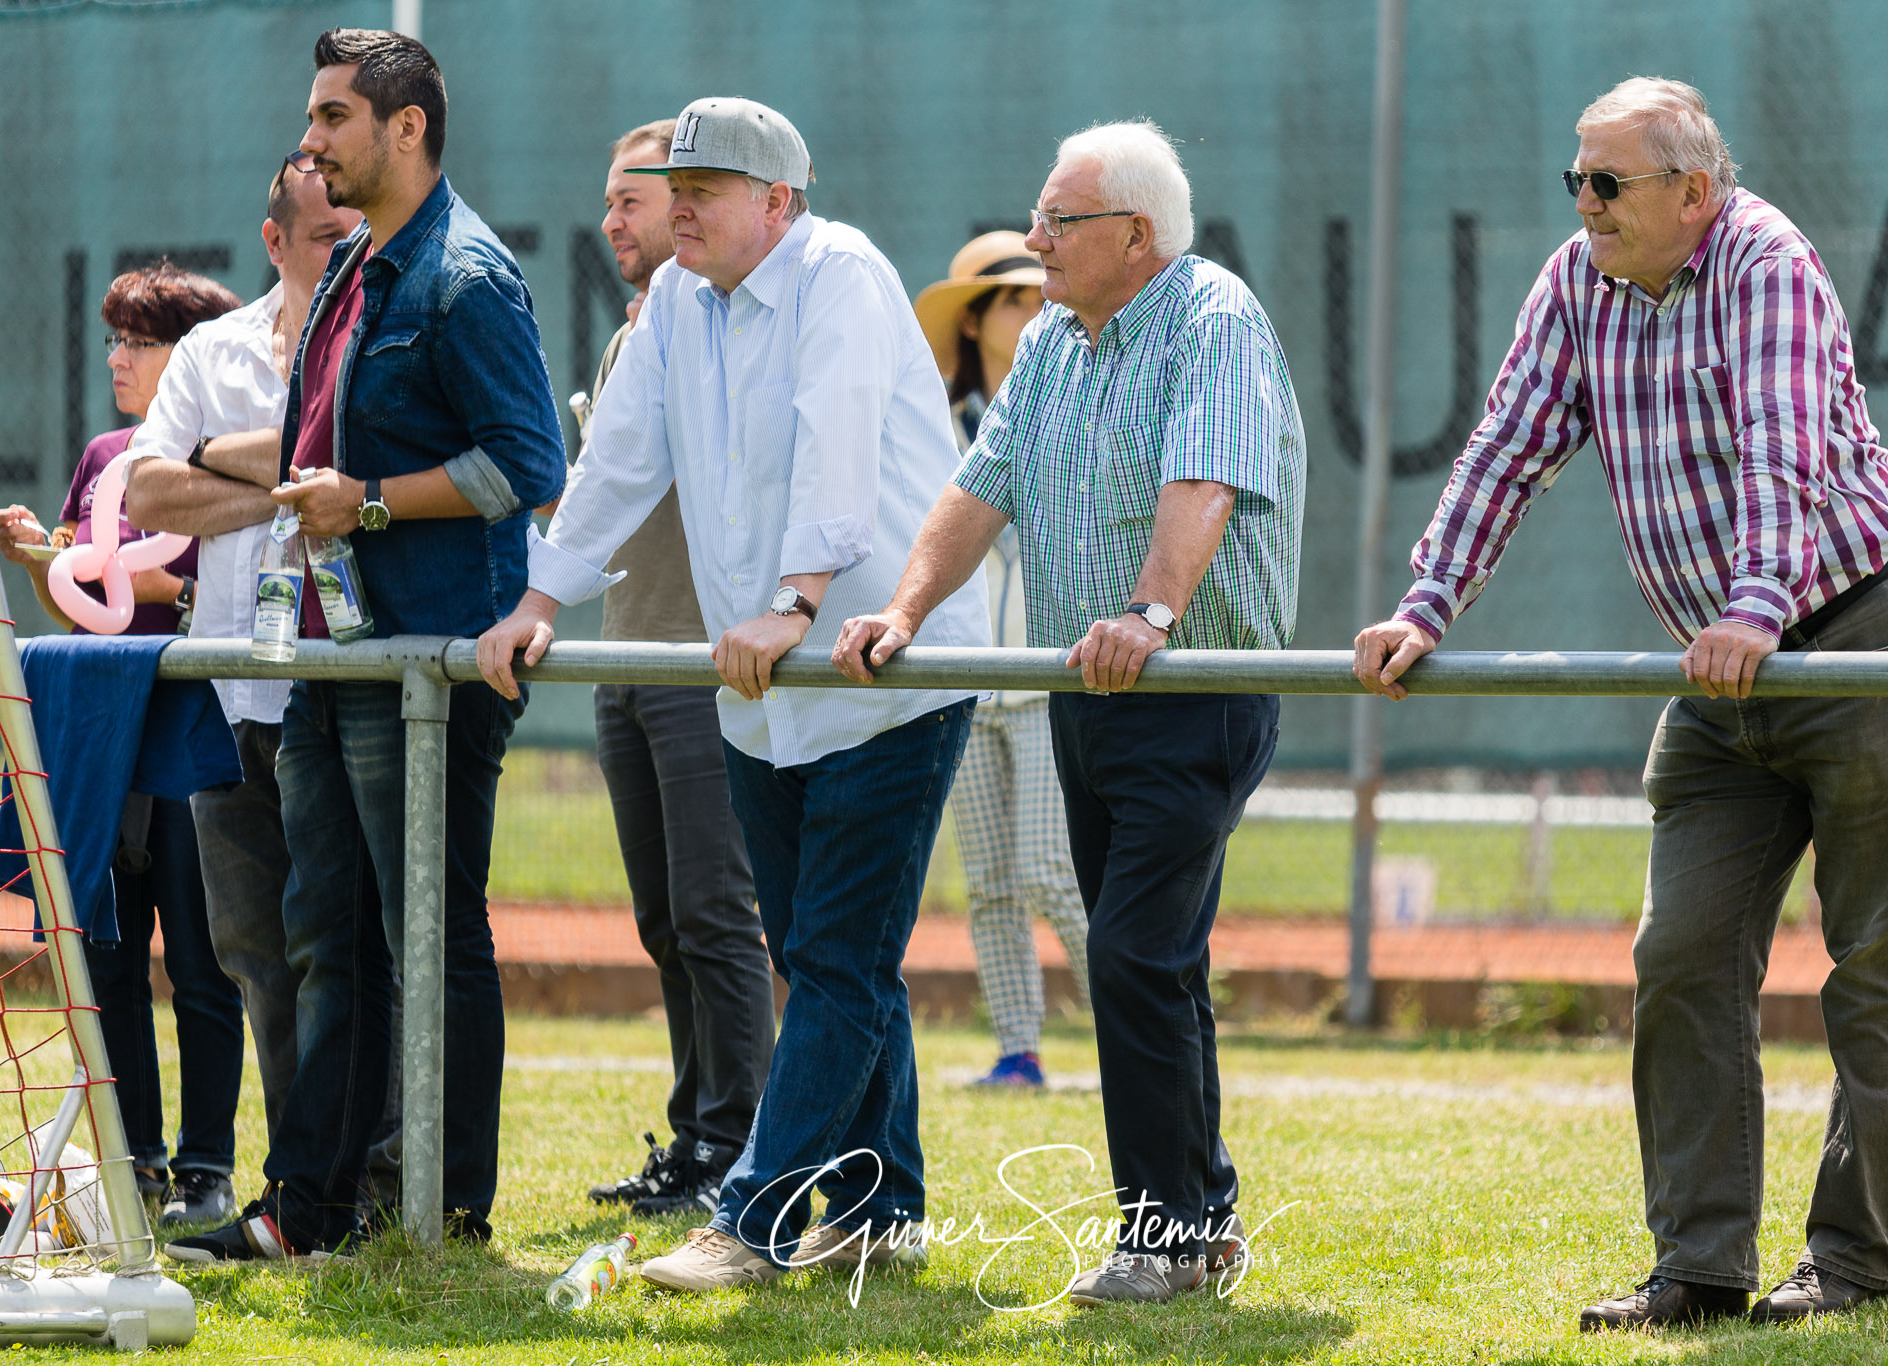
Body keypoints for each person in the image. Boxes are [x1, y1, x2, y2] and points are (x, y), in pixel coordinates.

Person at [1350, 78, 1888, 1331]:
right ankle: (1699, 1268)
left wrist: (1751, 602)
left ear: (1694, 191)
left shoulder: (1765, 261)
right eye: (1574, 180)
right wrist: (1425, 603)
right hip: (1717, 677)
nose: (1584, 204)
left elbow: (1782, 451)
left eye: (1606, 183)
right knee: (1678, 953)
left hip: (1852, 640)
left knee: (1874, 972)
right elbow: (1506, 447)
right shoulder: (1576, 281)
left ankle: (1849, 1264)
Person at [477, 95, 986, 1290]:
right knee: (829, 953)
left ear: (781, 202)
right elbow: (618, 463)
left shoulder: (840, 275)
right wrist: (538, 600)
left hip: (883, 674)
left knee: (835, 956)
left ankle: (752, 1219)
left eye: (710, 186)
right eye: (679, 182)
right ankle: (884, 1208)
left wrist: (798, 597)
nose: (684, 203)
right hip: (758, 680)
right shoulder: (673, 308)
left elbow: (838, 440)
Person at [835, 120, 1306, 1306]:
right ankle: (1197, 1225)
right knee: (1157, 959)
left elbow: (1200, 477)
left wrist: (1149, 610)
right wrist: (900, 609)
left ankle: (1163, 1233)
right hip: (1088, 698)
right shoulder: (1052, 339)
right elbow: (977, 487)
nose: (1034, 239)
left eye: (1058, 222)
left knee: (1134, 953)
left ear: (1134, 235)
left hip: (1192, 688)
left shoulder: (1209, 317)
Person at [165, 27, 566, 1264]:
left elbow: (526, 466)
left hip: (431, 668)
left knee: (427, 934)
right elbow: (305, 455)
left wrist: (373, 502)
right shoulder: (349, 269)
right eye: (312, 117)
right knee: (322, 933)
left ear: (406, 128)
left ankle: (445, 1207)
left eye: (334, 117)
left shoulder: (469, 275)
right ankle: (310, 1208)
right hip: (332, 659)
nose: (312, 143)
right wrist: (239, 478)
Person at [124, 155, 364, 1191]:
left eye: (354, 238)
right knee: (252, 951)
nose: (344, 254)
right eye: (323, 240)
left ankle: (367, 1175)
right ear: (274, 242)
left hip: (340, 689)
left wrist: (224, 454)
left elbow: (366, 463)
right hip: (230, 692)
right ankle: (295, 1181)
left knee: (345, 950)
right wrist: (285, 483)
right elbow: (145, 492)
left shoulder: (377, 342)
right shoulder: (214, 349)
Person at [0, 261, 246, 1227]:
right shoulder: (103, 453)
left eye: (139, 341)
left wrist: (154, 593)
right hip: (101, 735)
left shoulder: (212, 461)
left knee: (200, 956)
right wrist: (37, 558)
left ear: (193, 357)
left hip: (186, 728)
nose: (118, 357)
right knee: (106, 955)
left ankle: (207, 1166)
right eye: (114, 338)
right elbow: (81, 586)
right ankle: (133, 1159)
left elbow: (195, 591)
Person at [572, 118, 775, 1218]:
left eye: (634, 200)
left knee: (711, 910)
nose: (616, 221)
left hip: (701, 661)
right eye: (610, 202)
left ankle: (734, 1149)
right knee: (663, 919)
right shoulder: (635, 334)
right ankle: (696, 1135)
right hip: (625, 653)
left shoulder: (722, 323)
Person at [911, 231, 1089, 1089]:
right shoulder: (929, 425)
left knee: (1054, 868)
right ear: (976, 318)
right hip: (964, 679)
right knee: (988, 881)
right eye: (1014, 299)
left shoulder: (1072, 401)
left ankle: (1130, 1022)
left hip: (1052, 673)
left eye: (1038, 294)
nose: (1035, 308)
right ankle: (1018, 1050)